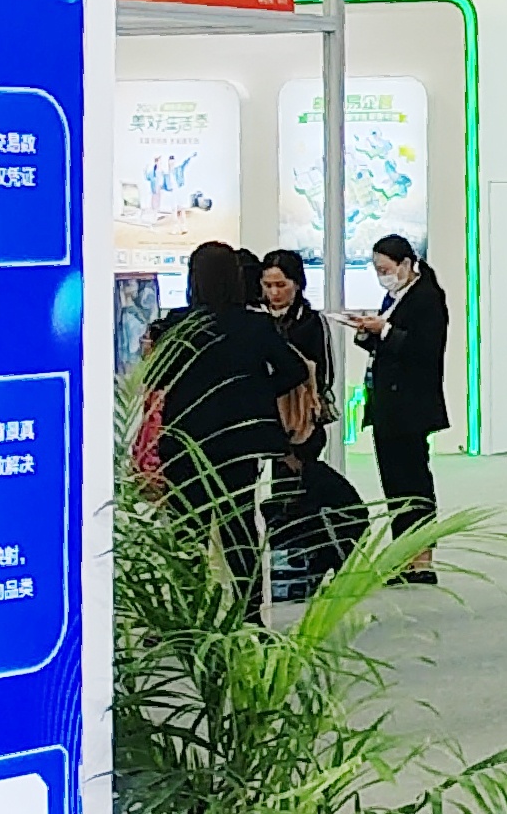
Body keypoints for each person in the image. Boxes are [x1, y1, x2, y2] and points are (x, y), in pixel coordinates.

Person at [143, 240, 300, 616]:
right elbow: (294, 369)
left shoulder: (176, 325)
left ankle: (187, 614)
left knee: (187, 529)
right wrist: (257, 393)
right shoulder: (255, 324)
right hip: (239, 441)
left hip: (186, 440)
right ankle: (251, 612)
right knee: (240, 527)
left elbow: (156, 379)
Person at [256, 247, 364, 599]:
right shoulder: (257, 319)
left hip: (303, 422)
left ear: (297, 284)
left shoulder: (311, 322)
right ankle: (292, 565)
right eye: (268, 285)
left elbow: (325, 371)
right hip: (267, 418)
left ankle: (311, 560)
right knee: (281, 495)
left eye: (281, 285)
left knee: (301, 491)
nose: (274, 293)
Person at [345, 231, 449, 581]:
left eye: (386, 269)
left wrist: (385, 329)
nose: (382, 276)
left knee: (413, 480)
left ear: (406, 264)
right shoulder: (394, 296)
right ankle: (402, 555)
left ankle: (422, 558)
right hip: (387, 402)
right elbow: (385, 344)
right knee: (393, 483)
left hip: (411, 403)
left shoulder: (427, 297)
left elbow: (424, 348)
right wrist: (366, 330)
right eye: (377, 270)